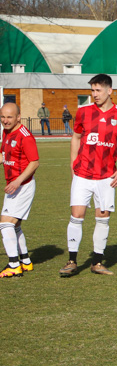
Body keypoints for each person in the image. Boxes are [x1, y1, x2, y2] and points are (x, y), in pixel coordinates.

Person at [61, 74, 117, 277]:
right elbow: (76, 137)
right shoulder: (83, 112)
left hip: (106, 176)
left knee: (102, 217)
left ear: (109, 91)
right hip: (83, 174)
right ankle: (72, 260)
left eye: (98, 90)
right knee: (77, 215)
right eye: (92, 90)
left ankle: (97, 262)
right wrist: (73, 164)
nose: (94, 94)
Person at [0, 103, 38, 278]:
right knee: (14, 226)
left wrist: (18, 181)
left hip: (22, 186)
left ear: (18, 117)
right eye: (2, 117)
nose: (5, 121)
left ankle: (14, 265)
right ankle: (25, 261)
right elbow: (4, 155)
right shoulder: (6, 132)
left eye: (9, 117)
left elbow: (34, 162)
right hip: (13, 185)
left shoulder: (25, 136)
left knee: (5, 223)